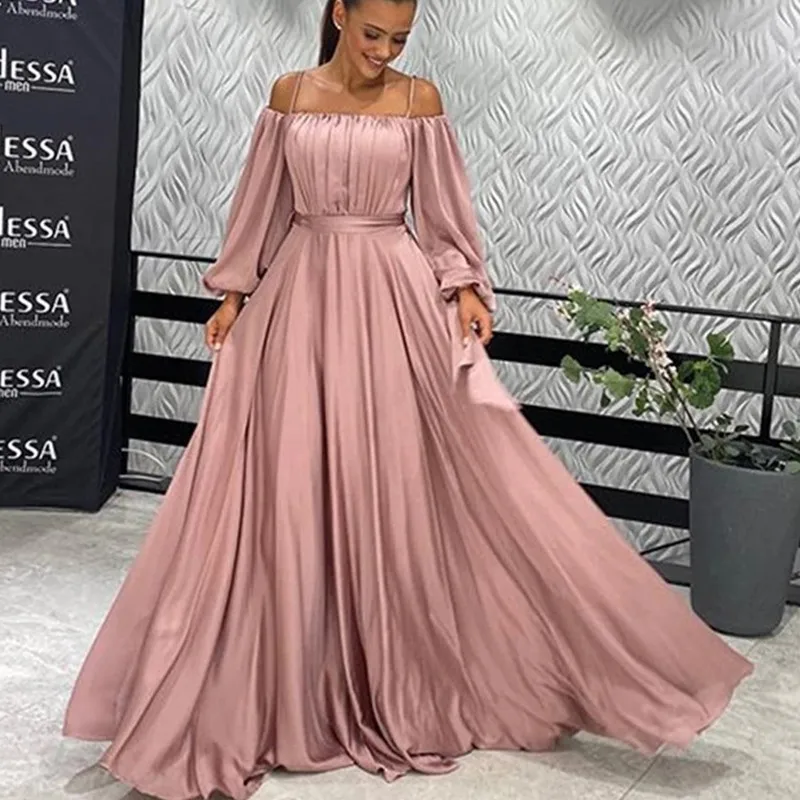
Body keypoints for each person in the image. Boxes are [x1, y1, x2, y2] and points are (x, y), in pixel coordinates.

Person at [62, 1, 753, 798]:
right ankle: (293, 674)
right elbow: (261, 206)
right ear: (339, 13)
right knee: (289, 485)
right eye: (372, 34)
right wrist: (234, 294)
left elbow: (444, 212)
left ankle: (416, 663)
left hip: (394, 300)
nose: (384, 52)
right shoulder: (291, 93)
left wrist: (466, 287)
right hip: (301, 299)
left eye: (399, 39)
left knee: (399, 480)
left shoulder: (419, 101)